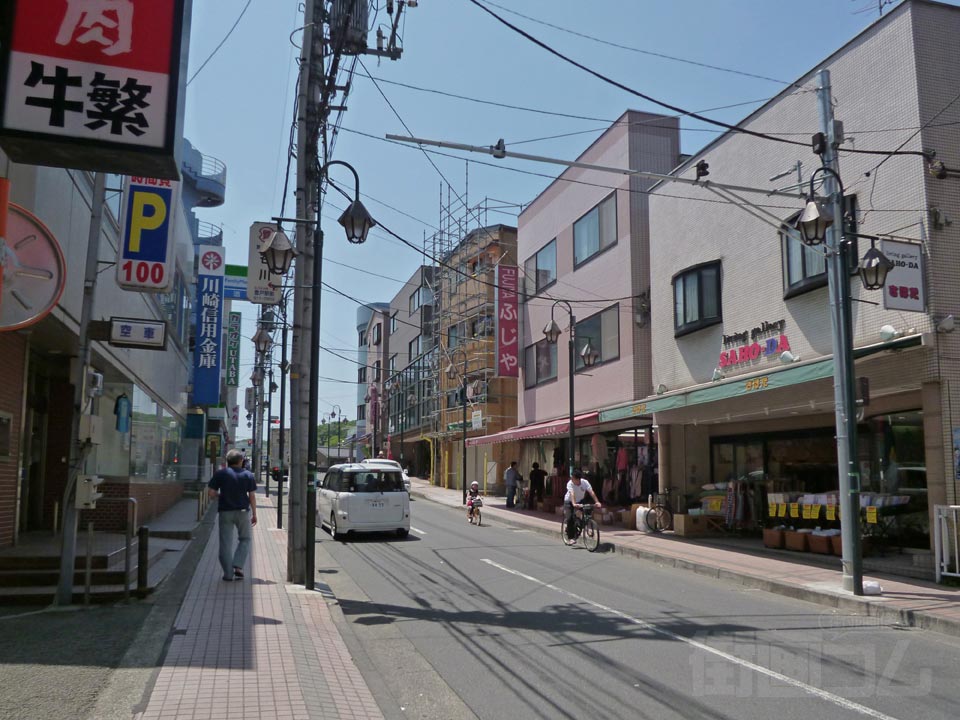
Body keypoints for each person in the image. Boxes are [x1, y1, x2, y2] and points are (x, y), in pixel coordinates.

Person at [208, 448, 258, 581]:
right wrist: (254, 513)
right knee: (245, 539)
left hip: (225, 512)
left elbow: (211, 493)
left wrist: (221, 496)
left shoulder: (221, 474)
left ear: (227, 461)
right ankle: (238, 565)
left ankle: (228, 574)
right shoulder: (248, 475)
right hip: (243, 512)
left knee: (225, 544)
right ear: (241, 461)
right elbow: (252, 496)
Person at [563, 468, 601, 542]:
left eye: (573, 478)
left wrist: (597, 502)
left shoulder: (585, 483)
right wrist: (574, 504)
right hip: (569, 501)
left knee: (584, 515)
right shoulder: (570, 483)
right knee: (570, 518)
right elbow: (572, 494)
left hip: (580, 500)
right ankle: (571, 537)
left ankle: (579, 526)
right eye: (571, 478)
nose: (571, 479)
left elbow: (591, 492)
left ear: (578, 479)